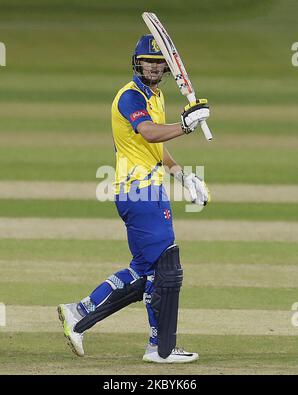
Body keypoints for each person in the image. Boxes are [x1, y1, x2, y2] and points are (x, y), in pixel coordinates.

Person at [57, 34, 210, 363]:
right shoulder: (130, 97)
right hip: (138, 191)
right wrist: (184, 125)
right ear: (136, 62)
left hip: (147, 189)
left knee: (142, 269)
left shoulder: (154, 97)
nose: (153, 67)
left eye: (159, 63)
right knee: (164, 267)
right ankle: (159, 348)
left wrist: (185, 176)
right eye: (148, 61)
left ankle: (78, 311)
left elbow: (156, 147)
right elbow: (150, 132)